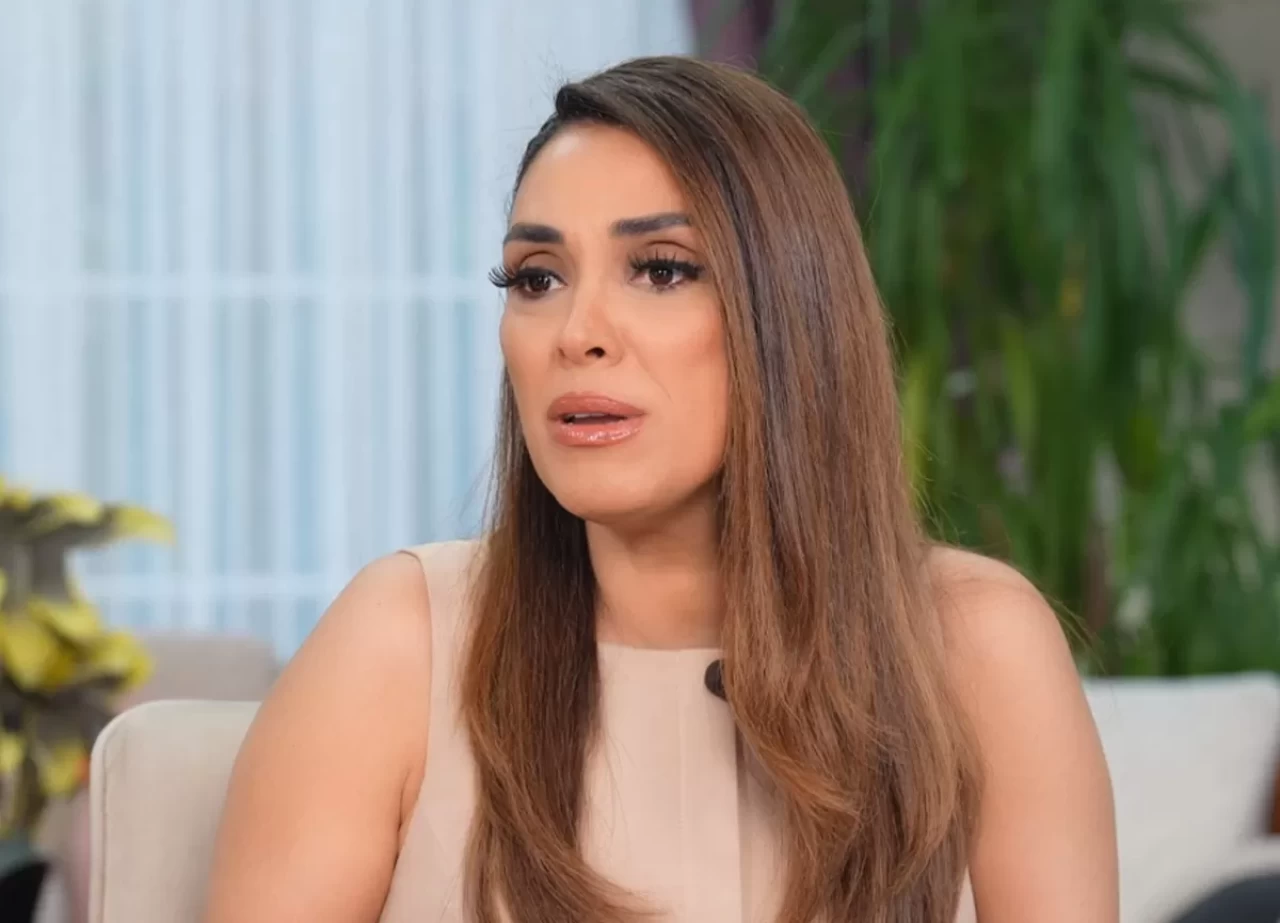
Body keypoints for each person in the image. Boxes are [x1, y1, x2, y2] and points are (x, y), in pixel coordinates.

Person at [202, 56, 1118, 923]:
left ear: (789, 312)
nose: (577, 332)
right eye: (537, 278)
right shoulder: (400, 642)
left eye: (661, 269)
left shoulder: (977, 647)